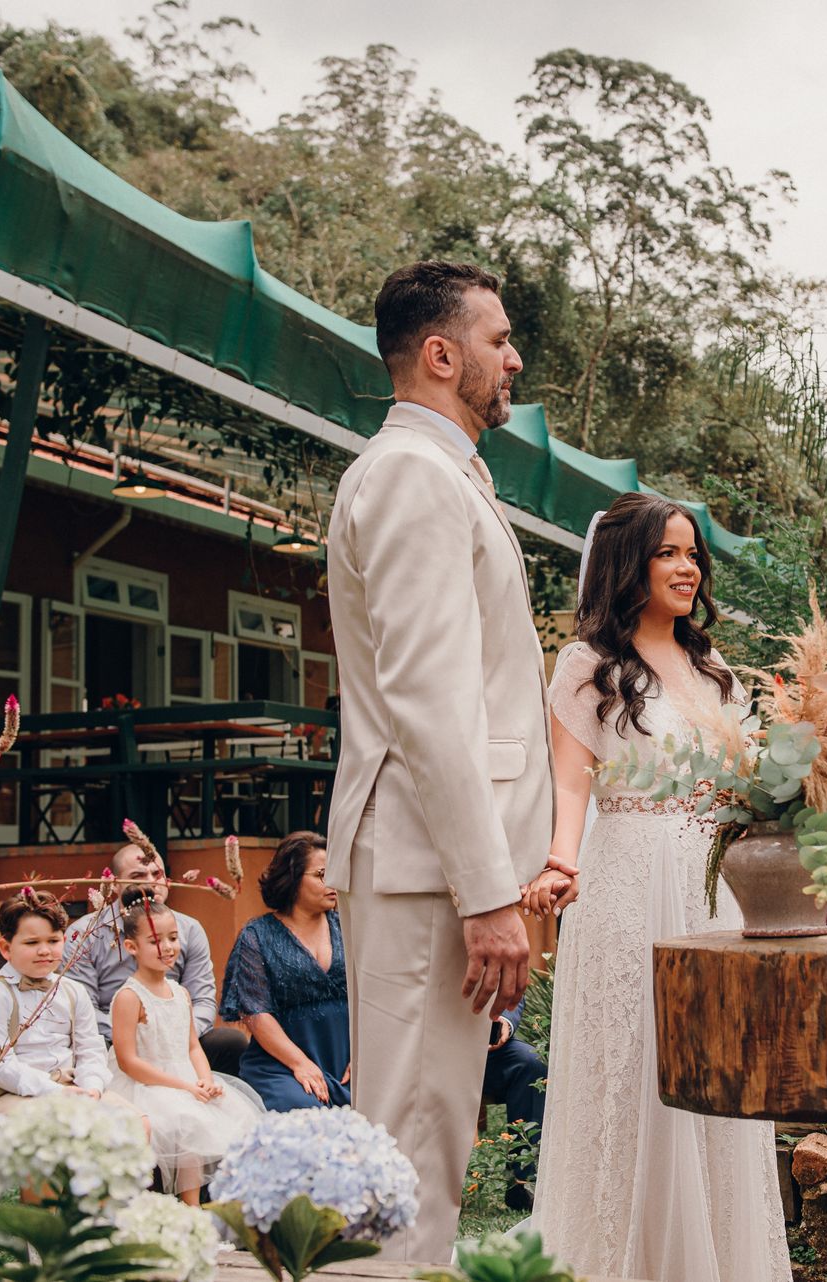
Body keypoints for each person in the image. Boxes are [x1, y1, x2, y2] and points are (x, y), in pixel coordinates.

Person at [326, 260, 551, 1261]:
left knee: (430, 1145)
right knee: (407, 1155)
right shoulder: (414, 478)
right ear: (441, 353)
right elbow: (430, 701)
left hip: (437, 872)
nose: (514, 357)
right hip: (429, 870)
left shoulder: (441, 473)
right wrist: (488, 891)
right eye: (499, 339)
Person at [525, 492, 791, 1281]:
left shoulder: (717, 670)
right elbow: (570, 785)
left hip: (716, 888)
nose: (686, 567)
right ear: (628, 564)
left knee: (716, 1070)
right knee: (631, 1070)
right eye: (668, 552)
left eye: (693, 554)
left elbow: (751, 785)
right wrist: (560, 860)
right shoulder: (588, 667)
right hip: (629, 880)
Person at [106, 898, 264, 1202]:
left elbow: (191, 1045)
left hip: (185, 1078)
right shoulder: (129, 996)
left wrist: (206, 1079)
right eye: (154, 941)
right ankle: (149, 1204)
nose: (167, 947)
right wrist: (185, 1086)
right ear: (131, 947)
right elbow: (127, 1061)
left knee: (224, 1116)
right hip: (143, 1083)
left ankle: (193, 1207)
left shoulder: (181, 993)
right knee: (184, 1119)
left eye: (173, 938)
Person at [64, 839, 247, 1076]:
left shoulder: (189, 929)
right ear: (115, 884)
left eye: (157, 874)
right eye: (139, 875)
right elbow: (83, 1008)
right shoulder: (86, 933)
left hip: (178, 1037)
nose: (151, 882)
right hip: (111, 1039)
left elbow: (203, 1001)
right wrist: (137, 1035)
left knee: (230, 1042)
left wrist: (173, 1036)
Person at [0, 891, 141, 1138]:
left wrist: (91, 1087)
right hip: (4, 1097)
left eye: (53, 941)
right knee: (62, 1127)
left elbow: (91, 1050)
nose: (44, 951)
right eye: (31, 943)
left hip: (71, 1089)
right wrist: (54, 1092)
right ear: (6, 948)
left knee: (135, 1122)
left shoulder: (72, 991)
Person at [219, 831, 352, 1111]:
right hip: (281, 1064)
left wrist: (364, 1054)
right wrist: (300, 1064)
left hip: (348, 1059)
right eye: (321, 874)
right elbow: (256, 1013)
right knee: (302, 1110)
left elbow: (374, 996)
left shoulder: (350, 929)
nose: (333, 883)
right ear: (292, 877)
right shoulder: (257, 936)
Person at [482, 994, 546, 1212]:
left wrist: (505, 1021)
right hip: (434, 1046)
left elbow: (512, 992)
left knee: (530, 1063)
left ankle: (521, 1181)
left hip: (485, 1048)